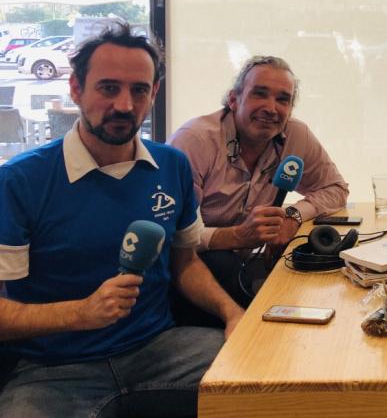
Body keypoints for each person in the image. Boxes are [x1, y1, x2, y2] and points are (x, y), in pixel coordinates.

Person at [0, 22, 244, 416]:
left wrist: (233, 314)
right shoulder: (20, 181)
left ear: (154, 93)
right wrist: (80, 312)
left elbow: (185, 262)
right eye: (108, 88)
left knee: (275, 382)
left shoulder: (172, 165)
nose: (125, 106)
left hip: (161, 350)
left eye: (139, 90)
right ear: (76, 88)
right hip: (52, 370)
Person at [168, 55, 349, 311]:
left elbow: (336, 189)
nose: (271, 108)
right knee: (223, 263)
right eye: (260, 94)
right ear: (234, 99)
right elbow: (173, 234)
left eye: (283, 99)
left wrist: (293, 215)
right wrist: (235, 236)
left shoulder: (296, 135)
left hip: (245, 266)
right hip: (190, 272)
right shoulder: (194, 141)